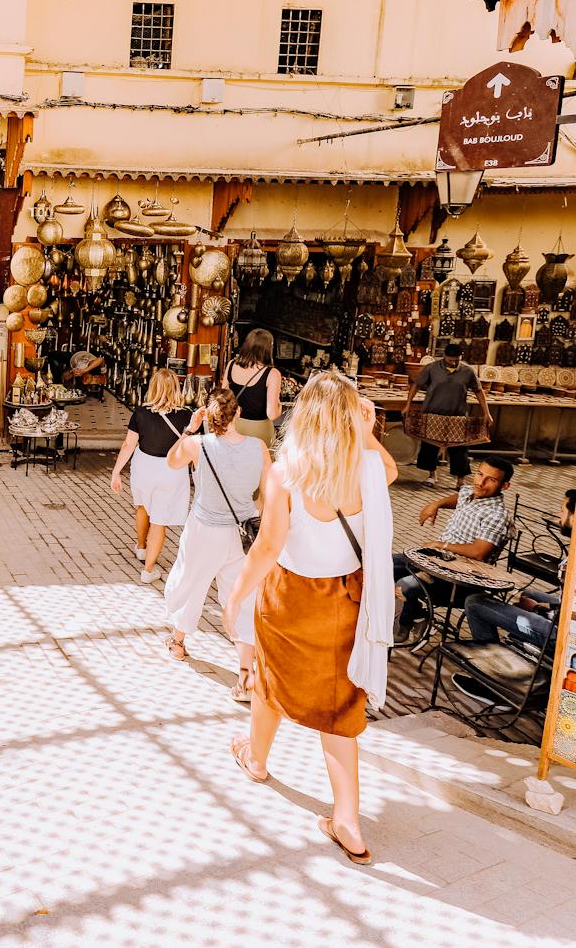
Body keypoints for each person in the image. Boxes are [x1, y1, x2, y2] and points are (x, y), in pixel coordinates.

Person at [224, 371, 397, 866]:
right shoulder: (366, 467)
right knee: (341, 706)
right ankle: (347, 818)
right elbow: (390, 472)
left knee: (270, 680)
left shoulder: (287, 470)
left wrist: (237, 592)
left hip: (291, 596)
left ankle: (256, 759)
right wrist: (365, 432)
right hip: (346, 599)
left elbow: (268, 546)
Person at [161, 387, 267, 702]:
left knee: (190, 584)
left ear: (209, 416)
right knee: (240, 600)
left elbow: (171, 461)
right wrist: (255, 517)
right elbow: (267, 492)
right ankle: (245, 676)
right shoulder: (259, 447)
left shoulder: (198, 444)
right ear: (238, 414)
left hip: (205, 529)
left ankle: (178, 643)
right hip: (242, 534)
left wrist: (190, 428)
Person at [450, 489, 574, 708]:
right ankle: (520, 657)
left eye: (563, 510)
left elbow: (572, 613)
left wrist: (541, 609)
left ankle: (494, 683)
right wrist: (540, 605)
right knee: (529, 594)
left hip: (561, 633)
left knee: (476, 602)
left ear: (575, 515)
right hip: (564, 618)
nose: (558, 516)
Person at [392, 456, 516, 641]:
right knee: (380, 566)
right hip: (435, 560)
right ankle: (419, 616)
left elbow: (478, 552)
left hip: (459, 580)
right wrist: (436, 504)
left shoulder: (496, 515)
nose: (480, 482)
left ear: (505, 486)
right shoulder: (469, 492)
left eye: (491, 480)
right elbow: (459, 497)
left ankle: (400, 631)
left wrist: (441, 544)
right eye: (479, 474)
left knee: (406, 585)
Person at [109, 368, 192, 584]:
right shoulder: (187, 415)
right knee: (160, 520)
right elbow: (193, 449)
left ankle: (141, 547)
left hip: (144, 467)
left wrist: (116, 472)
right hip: (172, 470)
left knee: (143, 507)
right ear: (176, 387)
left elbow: (129, 445)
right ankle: (148, 570)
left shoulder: (141, 413)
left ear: (152, 388)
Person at [402, 342, 493, 480]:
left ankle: (460, 480)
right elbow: (416, 385)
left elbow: (479, 391)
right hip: (432, 414)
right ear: (444, 356)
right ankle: (431, 476)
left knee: (459, 450)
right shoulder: (431, 368)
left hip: (457, 416)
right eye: (451, 360)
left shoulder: (468, 371)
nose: (454, 362)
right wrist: (408, 405)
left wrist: (487, 413)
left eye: (457, 360)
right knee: (430, 447)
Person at [222, 329, 282, 444]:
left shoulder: (231, 365)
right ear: (268, 348)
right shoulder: (272, 374)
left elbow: (224, 400)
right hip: (259, 431)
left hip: (233, 427)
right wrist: (279, 405)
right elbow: (272, 414)